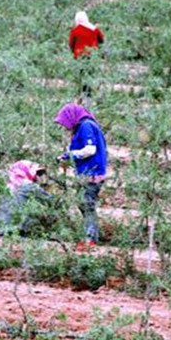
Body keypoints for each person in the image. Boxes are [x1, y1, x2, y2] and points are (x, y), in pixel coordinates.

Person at [54, 104, 107, 251]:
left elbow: (90, 150)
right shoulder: (82, 127)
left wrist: (69, 156)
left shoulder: (86, 126)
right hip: (87, 173)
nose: (65, 127)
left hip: (91, 174)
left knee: (86, 204)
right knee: (84, 204)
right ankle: (90, 237)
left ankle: (90, 239)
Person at [0, 161, 52, 237]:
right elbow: (49, 199)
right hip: (16, 231)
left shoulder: (8, 185)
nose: (37, 176)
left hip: (1, 229)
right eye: (36, 173)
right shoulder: (28, 186)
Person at [69, 11, 104, 98]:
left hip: (80, 56)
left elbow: (71, 44)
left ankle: (83, 92)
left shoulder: (75, 30)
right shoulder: (94, 29)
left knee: (81, 74)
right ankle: (89, 92)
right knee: (90, 73)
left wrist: (74, 52)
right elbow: (102, 40)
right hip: (92, 55)